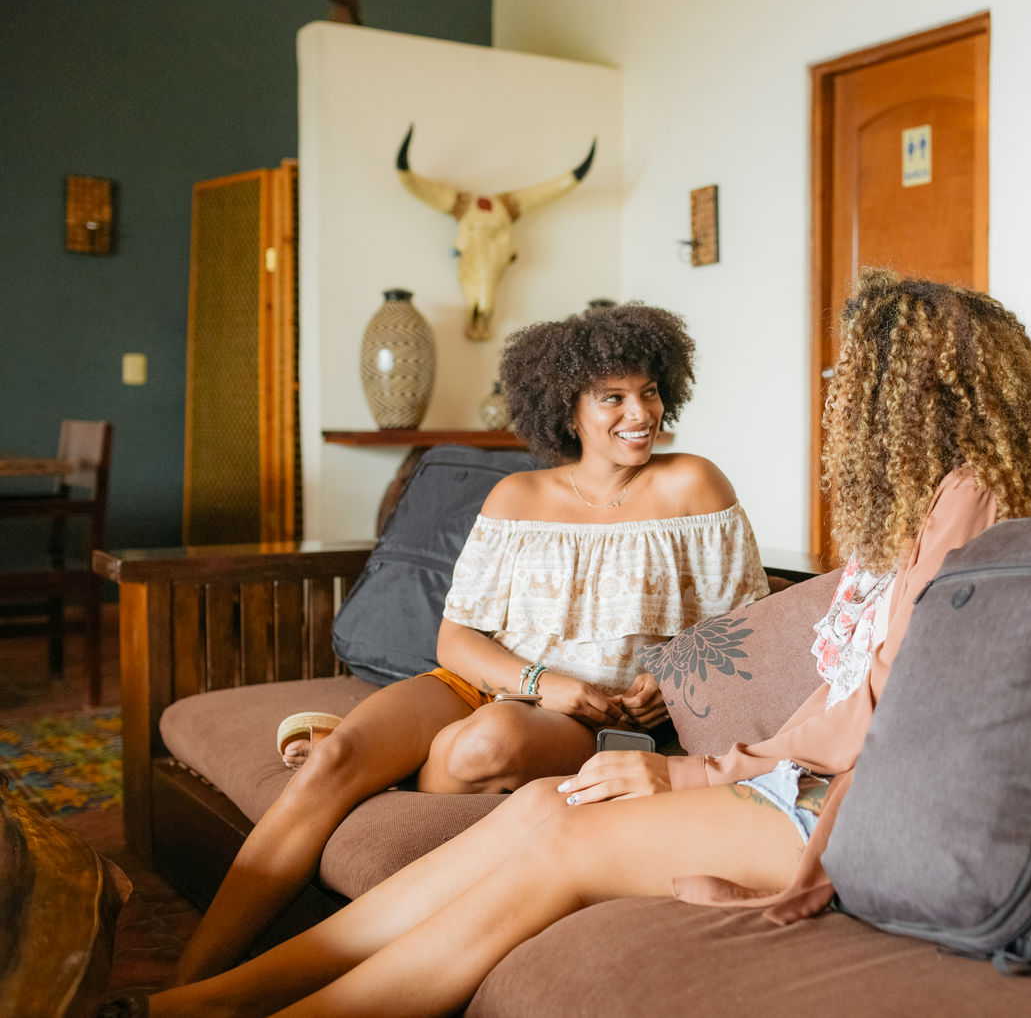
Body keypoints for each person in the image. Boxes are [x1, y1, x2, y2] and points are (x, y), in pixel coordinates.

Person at [142, 270, 1031, 1016]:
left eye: (855, 380)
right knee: (490, 793)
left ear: (909, 394)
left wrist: (678, 752)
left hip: (792, 790)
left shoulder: (957, 510)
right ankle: (220, 993)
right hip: (611, 718)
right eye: (612, 397)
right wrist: (578, 700)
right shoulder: (941, 506)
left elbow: (832, 698)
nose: (839, 394)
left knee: (541, 809)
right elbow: (462, 637)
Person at [169, 303, 770, 985]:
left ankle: (402, 771)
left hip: (589, 718)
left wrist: (672, 677)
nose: (641, 413)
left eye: (650, 391)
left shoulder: (693, 484)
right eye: (613, 398)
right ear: (566, 406)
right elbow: (456, 637)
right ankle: (189, 984)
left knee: (492, 741)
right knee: (333, 761)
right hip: (494, 682)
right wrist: (542, 678)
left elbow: (744, 623)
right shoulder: (516, 497)